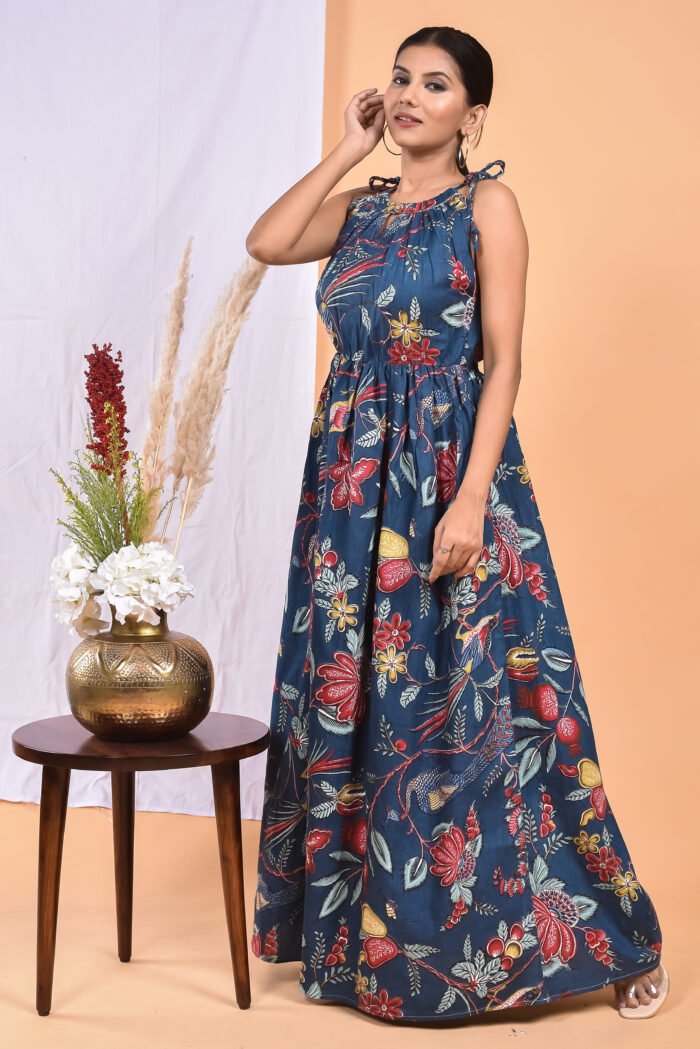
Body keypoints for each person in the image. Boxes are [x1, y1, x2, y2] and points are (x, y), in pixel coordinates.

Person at [245, 25, 668, 1025]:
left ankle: (613, 940)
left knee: (501, 709)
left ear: (471, 114)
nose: (407, 96)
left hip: (446, 471)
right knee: (359, 713)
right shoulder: (358, 211)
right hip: (350, 490)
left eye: (433, 85)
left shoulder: (489, 205)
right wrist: (347, 149)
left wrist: (472, 494)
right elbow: (264, 243)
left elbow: (503, 361)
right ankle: (372, 949)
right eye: (397, 79)